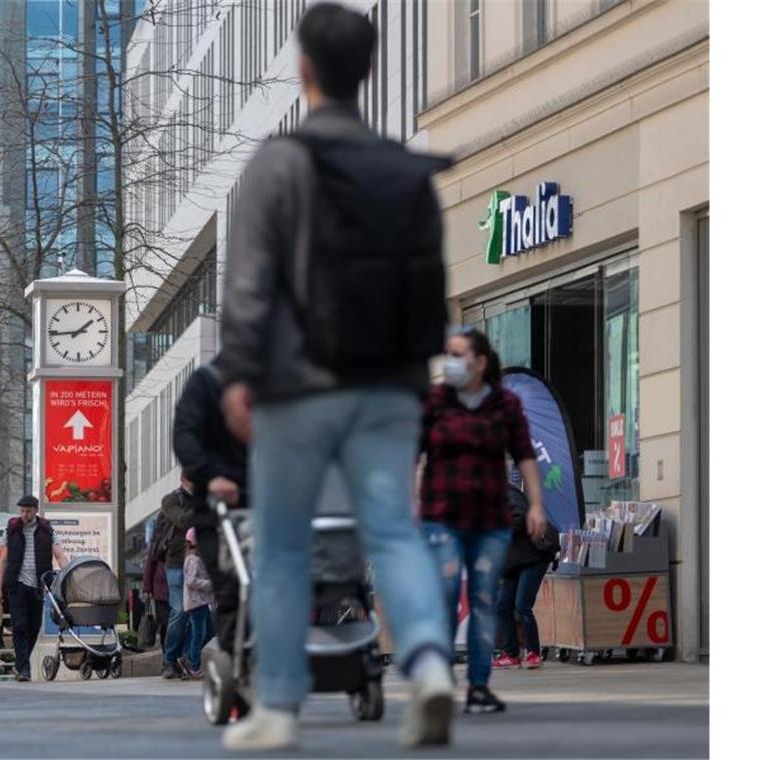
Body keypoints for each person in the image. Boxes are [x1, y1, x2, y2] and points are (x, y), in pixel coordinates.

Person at [216, 4, 457, 750]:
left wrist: (240, 374)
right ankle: (427, 664)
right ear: (369, 70)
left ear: (304, 69)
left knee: (284, 544)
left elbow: (249, 282)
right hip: (388, 384)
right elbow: (431, 283)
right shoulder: (406, 170)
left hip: (297, 387)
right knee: (392, 532)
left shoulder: (279, 163)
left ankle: (280, 709)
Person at [418, 328, 548, 714]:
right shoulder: (436, 401)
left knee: (483, 601)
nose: (451, 363)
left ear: (479, 361)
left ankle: (478, 686)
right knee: (443, 595)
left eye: (458, 355)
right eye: (448, 354)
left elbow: (525, 456)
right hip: (442, 515)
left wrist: (537, 506)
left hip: (491, 520)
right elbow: (414, 453)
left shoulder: (505, 405)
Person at [171, 358, 248, 665]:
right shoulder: (207, 383)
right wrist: (210, 476)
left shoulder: (285, 377)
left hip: (272, 502)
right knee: (230, 589)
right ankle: (237, 664)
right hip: (218, 508)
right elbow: (185, 434)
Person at [0, 496, 69, 682]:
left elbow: (59, 555)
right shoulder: (11, 529)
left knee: (34, 627)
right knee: (19, 626)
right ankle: (24, 669)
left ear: (36, 510)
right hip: (17, 584)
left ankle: (21, 664)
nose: (24, 514)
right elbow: (3, 560)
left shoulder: (47, 529)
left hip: (38, 585)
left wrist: (68, 572)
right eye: (22, 511)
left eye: (28, 511)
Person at [494, 484, 560, 670]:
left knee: (522, 605)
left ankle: (533, 652)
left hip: (532, 557)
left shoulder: (508, 493)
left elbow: (521, 519)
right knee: (502, 607)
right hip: (513, 562)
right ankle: (511, 654)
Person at [156, 477, 192, 678]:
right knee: (180, 611)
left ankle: (185, 658)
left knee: (202, 618)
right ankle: (169, 660)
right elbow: (184, 520)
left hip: (201, 565)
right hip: (176, 564)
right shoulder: (171, 500)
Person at [179, 528, 214, 680]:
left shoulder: (194, 558)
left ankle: (188, 658)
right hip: (196, 602)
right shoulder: (193, 560)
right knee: (199, 634)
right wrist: (210, 584)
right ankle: (194, 665)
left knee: (208, 631)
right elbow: (192, 581)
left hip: (201, 601)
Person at [141, 512, 171, 653]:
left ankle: (171, 656)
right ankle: (168, 657)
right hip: (162, 589)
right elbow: (150, 564)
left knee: (170, 623)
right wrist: (147, 587)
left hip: (163, 587)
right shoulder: (158, 538)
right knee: (165, 623)